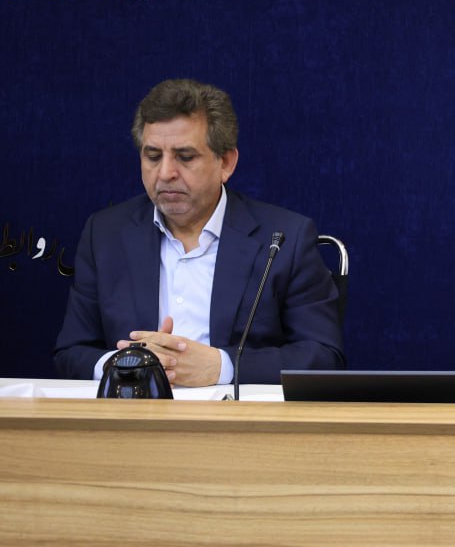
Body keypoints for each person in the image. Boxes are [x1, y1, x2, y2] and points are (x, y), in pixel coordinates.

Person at [54, 79, 344, 386]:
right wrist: (125, 364)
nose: (165, 173)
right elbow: (71, 353)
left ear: (226, 163)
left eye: (185, 157)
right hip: (136, 410)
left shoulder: (285, 238)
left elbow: (324, 356)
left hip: (235, 414)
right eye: (153, 156)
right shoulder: (105, 234)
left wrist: (222, 367)